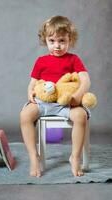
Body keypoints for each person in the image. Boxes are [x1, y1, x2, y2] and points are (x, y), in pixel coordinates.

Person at [20, 15, 91, 177]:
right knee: (25, 115)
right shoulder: (41, 61)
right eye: (52, 41)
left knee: (81, 116)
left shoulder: (73, 59)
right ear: (45, 40)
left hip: (66, 103)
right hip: (44, 102)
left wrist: (78, 97)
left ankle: (75, 156)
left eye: (62, 41)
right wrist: (30, 92)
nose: (57, 46)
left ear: (70, 40)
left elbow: (85, 80)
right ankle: (33, 156)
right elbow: (32, 82)